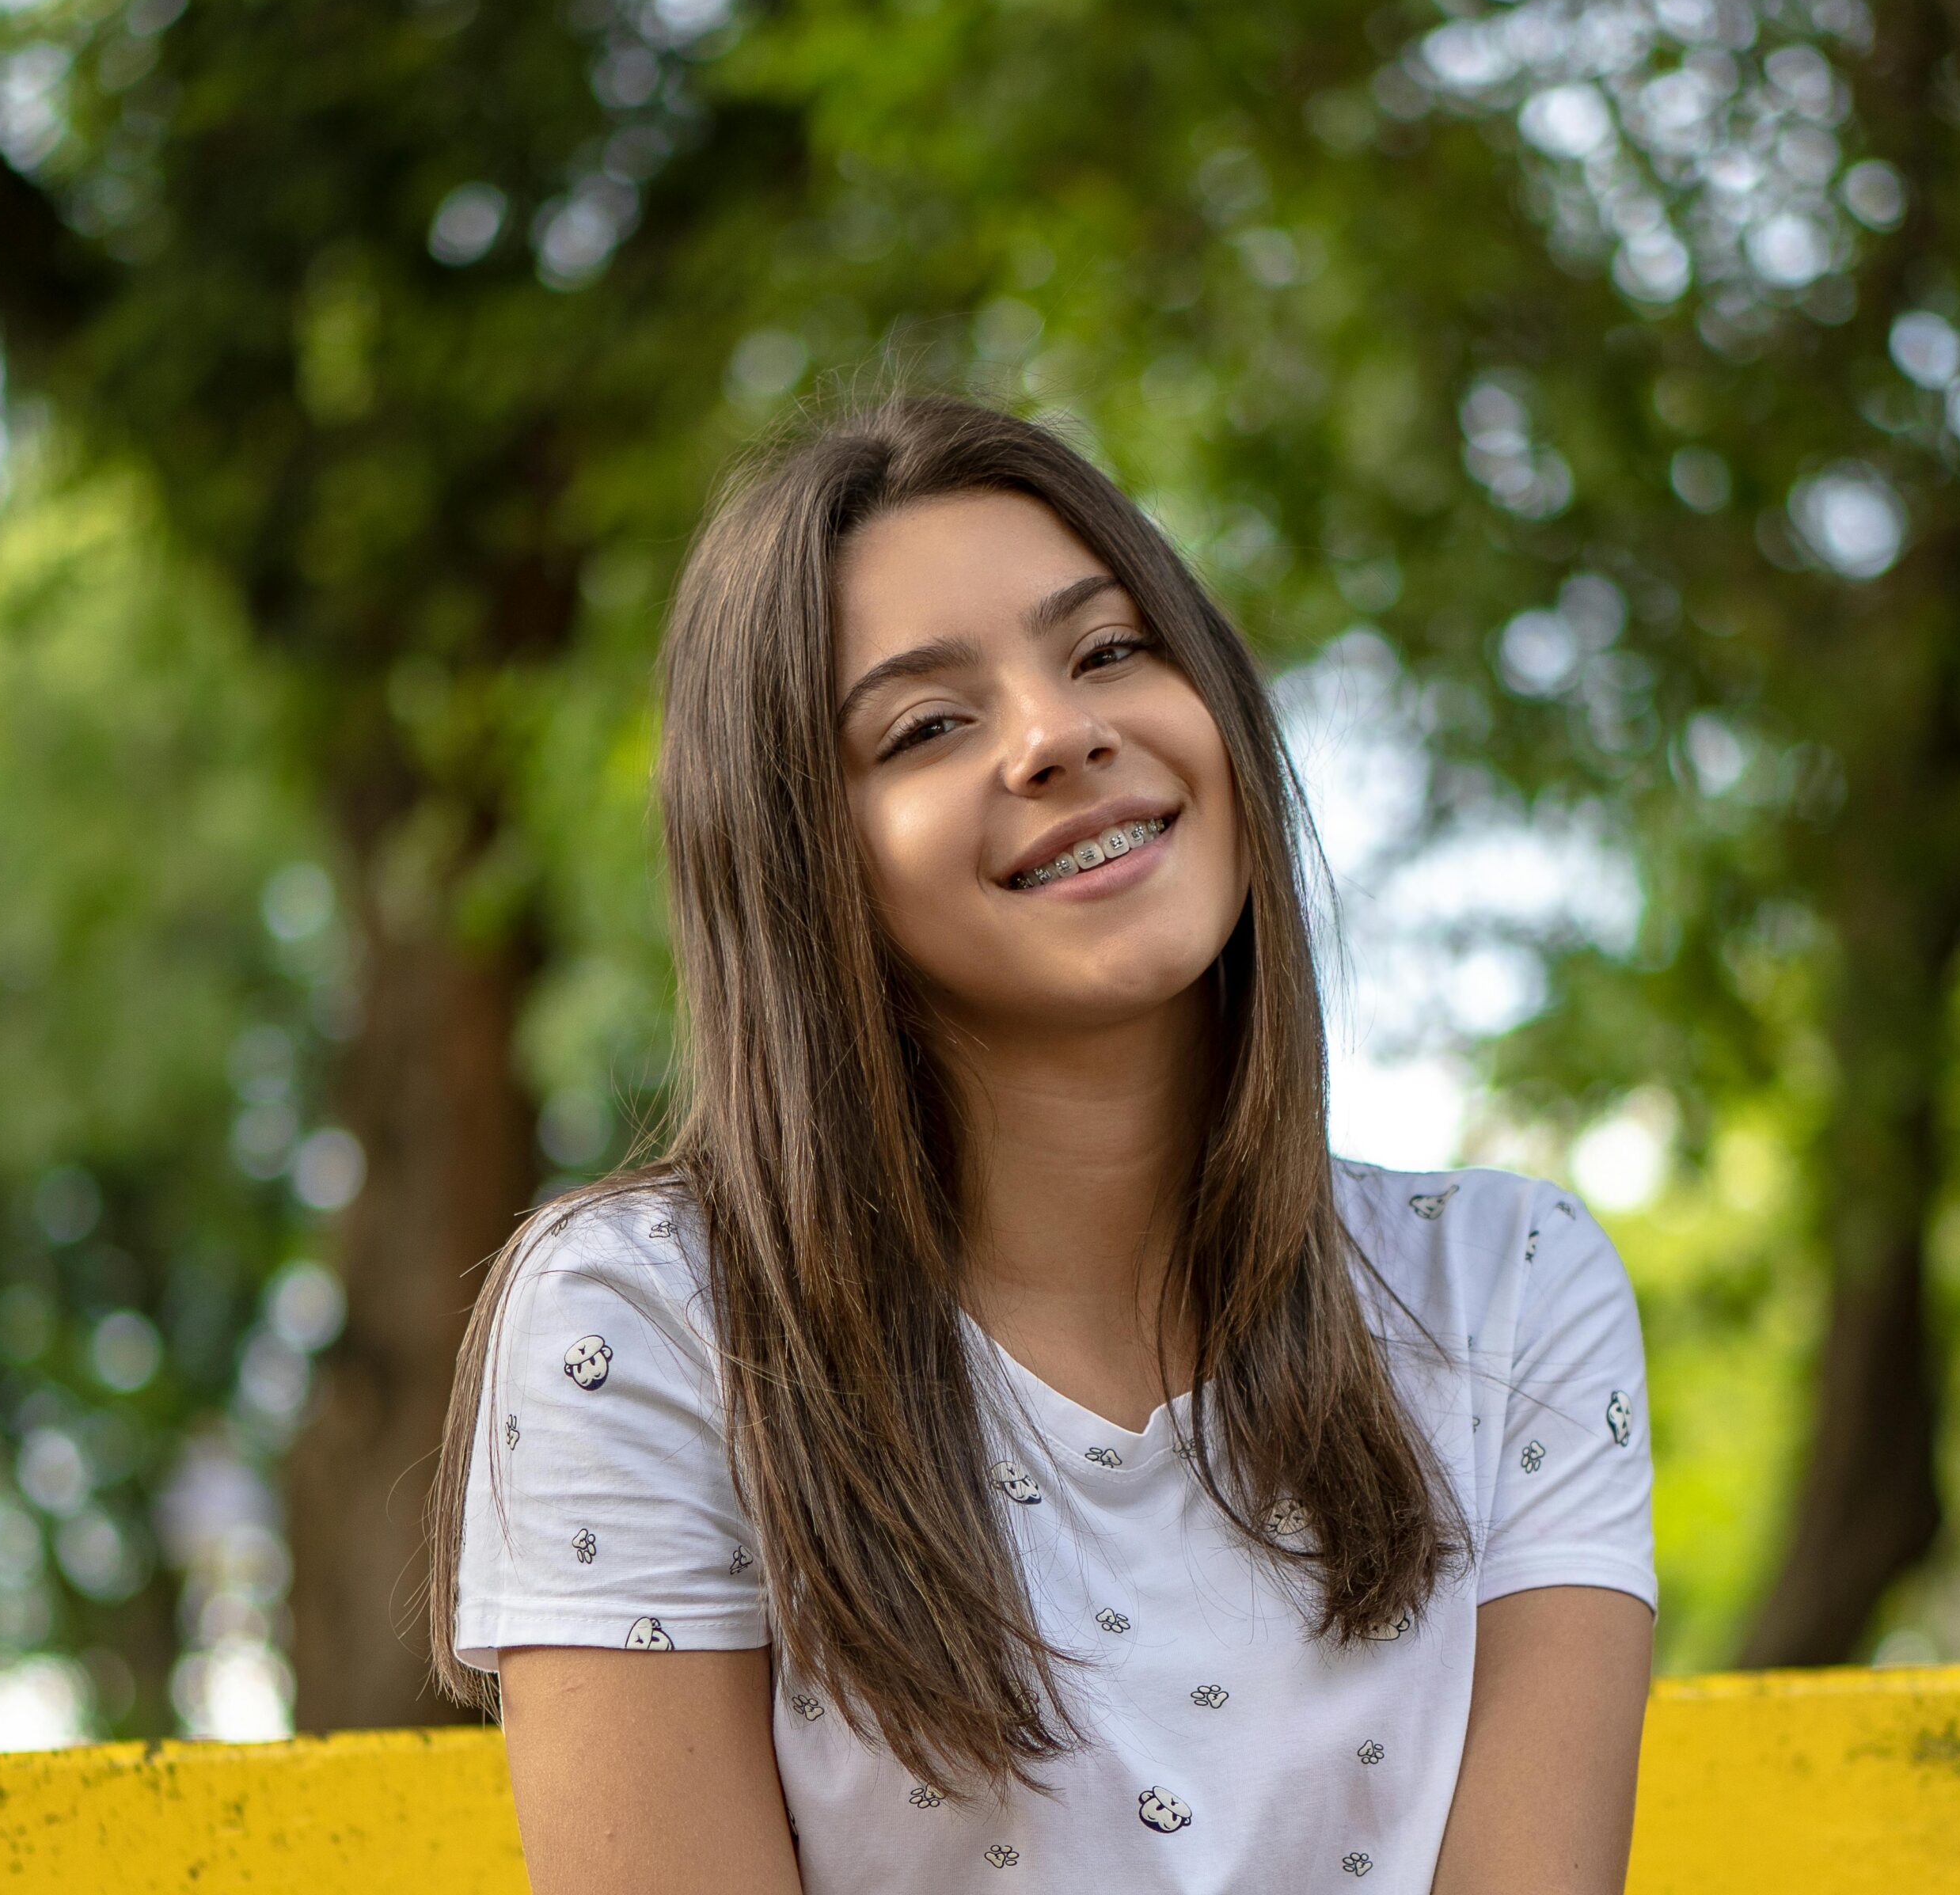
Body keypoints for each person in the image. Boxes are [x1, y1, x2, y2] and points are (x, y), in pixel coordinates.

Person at [427, 393, 1657, 1895]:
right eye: (926, 726)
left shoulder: (1508, 1290)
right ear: (800, 869)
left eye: (1110, 650)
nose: (1060, 734)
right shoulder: (649, 1327)